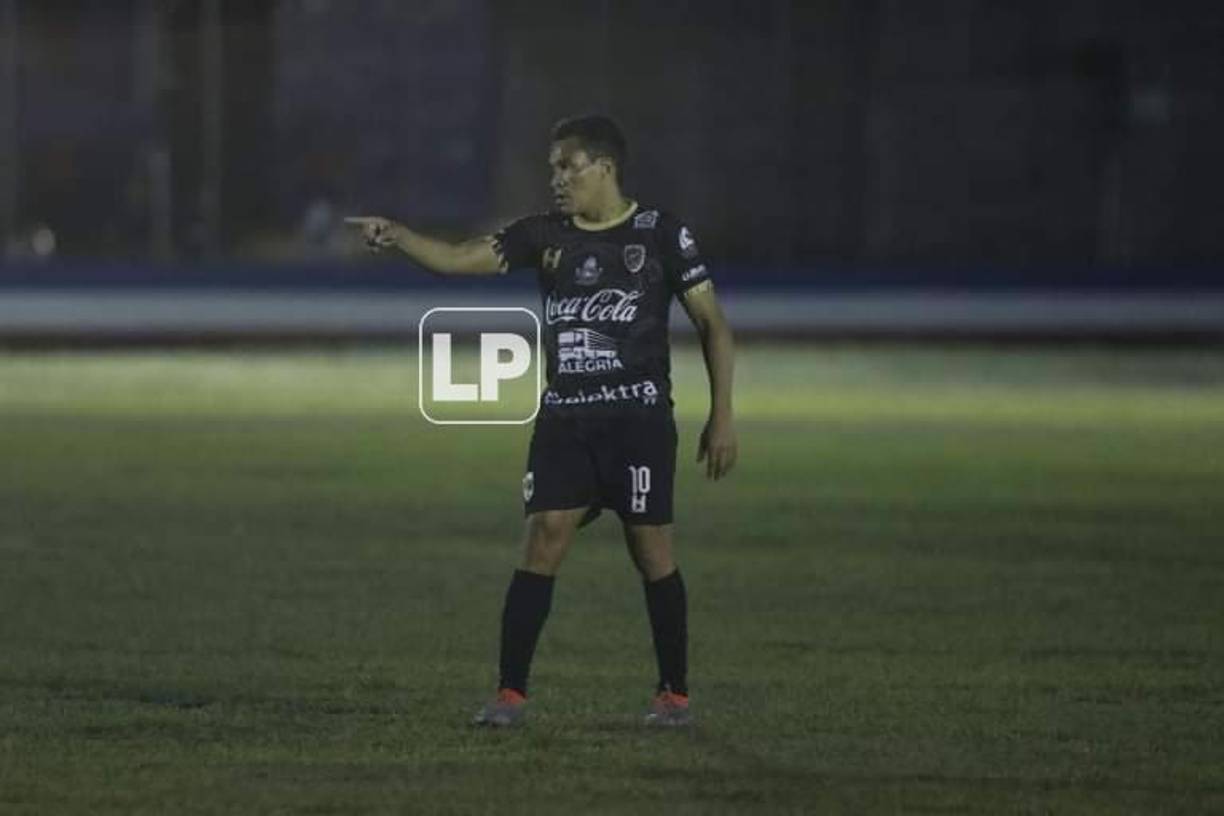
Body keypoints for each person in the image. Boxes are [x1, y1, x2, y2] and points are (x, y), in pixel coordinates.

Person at [346, 114, 736, 728]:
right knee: (543, 537)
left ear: (604, 167)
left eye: (567, 165)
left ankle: (674, 696)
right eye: (552, 167)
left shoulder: (662, 233)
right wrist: (398, 236)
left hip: (638, 421)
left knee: (651, 549)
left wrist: (722, 417)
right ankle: (509, 695)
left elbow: (712, 323)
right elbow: (456, 259)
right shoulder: (543, 235)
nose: (556, 178)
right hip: (565, 421)